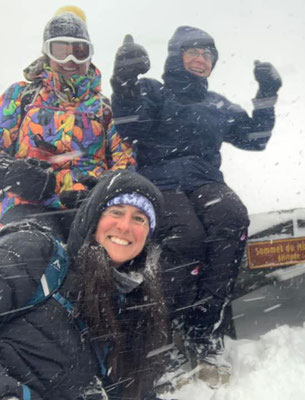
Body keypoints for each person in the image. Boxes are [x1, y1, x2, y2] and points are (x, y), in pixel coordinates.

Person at [110, 26, 282, 386]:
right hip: (159, 181)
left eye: (208, 55)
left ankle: (203, 328)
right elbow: (128, 127)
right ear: (176, 56)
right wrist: (124, 80)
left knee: (232, 219)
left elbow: (255, 139)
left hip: (205, 182)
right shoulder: (155, 92)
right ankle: (164, 335)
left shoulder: (216, 104)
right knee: (186, 234)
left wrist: (267, 93)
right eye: (194, 52)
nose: (201, 59)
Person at [0, 170, 182, 399]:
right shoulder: (35, 253)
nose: (125, 226)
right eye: (116, 211)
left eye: (139, 218)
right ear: (93, 219)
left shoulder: (136, 306)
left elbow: (131, 391)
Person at [0, 8, 135, 226]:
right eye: (61, 51)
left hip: (85, 207)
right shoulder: (21, 95)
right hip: (27, 204)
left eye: (79, 51)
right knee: (29, 248)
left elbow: (124, 160)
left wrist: (101, 189)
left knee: (98, 254)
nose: (70, 60)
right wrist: (13, 173)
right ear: (47, 52)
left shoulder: (104, 108)